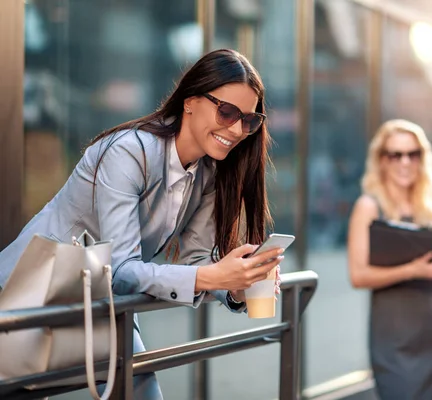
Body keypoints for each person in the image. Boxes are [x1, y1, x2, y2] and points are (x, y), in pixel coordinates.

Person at [0, 49, 284, 399]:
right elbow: (121, 268)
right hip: (26, 296)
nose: (238, 129)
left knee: (142, 389)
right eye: (227, 112)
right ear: (190, 101)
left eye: (249, 121)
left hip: (97, 302)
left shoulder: (207, 173)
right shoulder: (127, 152)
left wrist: (237, 286)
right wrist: (213, 277)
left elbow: (196, 262)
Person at [347, 119, 432, 399]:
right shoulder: (369, 207)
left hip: (431, 333)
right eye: (395, 154)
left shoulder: (430, 208)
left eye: (412, 154)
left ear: (422, 158)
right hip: (393, 339)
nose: (404, 162)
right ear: (382, 161)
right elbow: (358, 276)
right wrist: (413, 270)